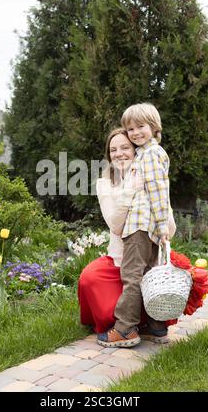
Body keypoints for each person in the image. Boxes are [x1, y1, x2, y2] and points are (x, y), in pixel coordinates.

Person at [78, 125, 176, 341]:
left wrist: (159, 199)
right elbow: (115, 225)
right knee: (89, 281)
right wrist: (130, 189)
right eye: (113, 150)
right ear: (108, 154)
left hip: (149, 255)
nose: (119, 153)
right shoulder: (105, 183)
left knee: (149, 280)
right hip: (120, 258)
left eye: (125, 147)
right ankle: (132, 322)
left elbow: (170, 227)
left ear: (135, 150)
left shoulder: (151, 175)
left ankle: (148, 325)